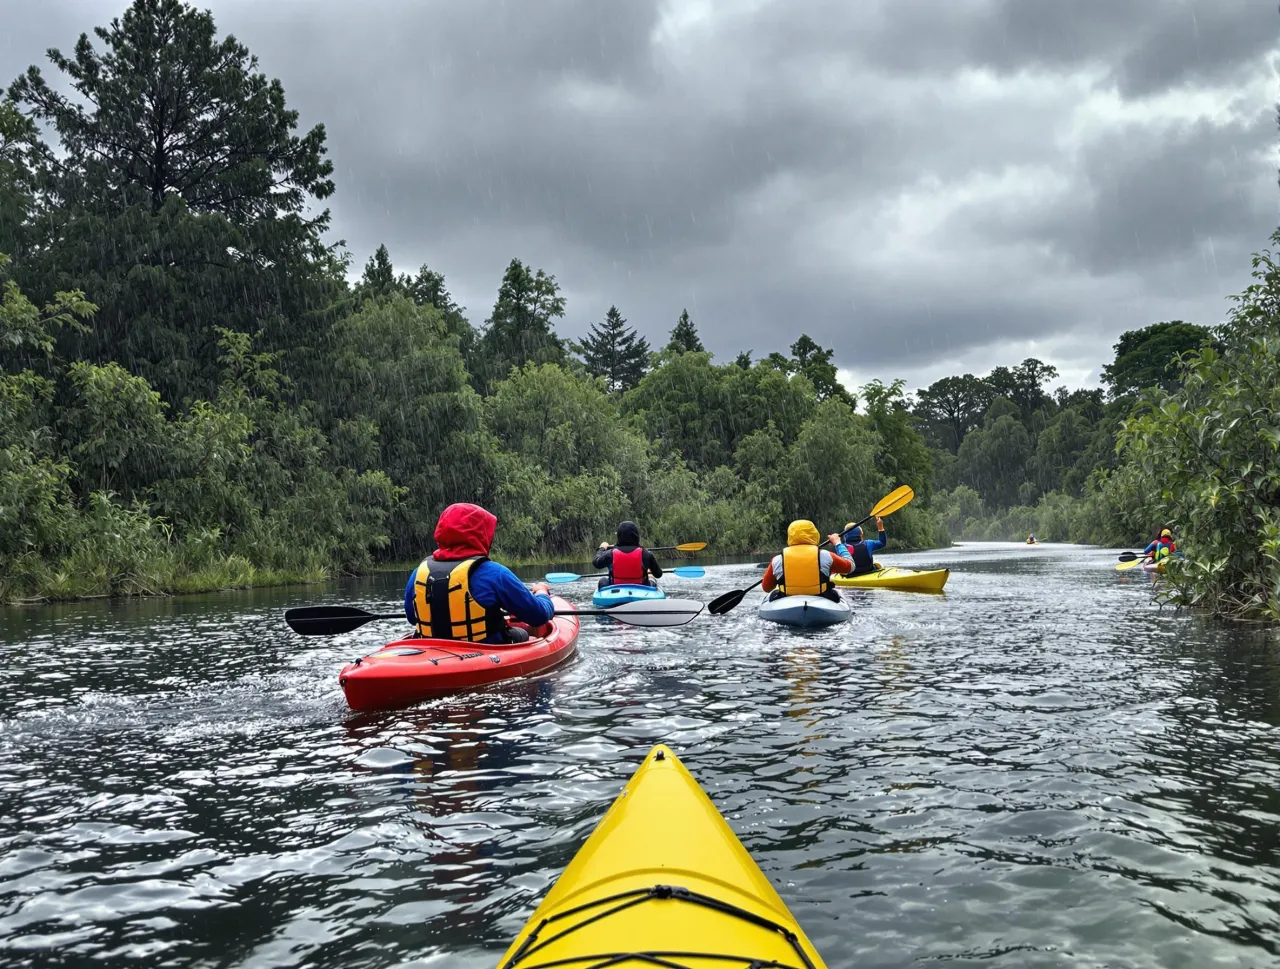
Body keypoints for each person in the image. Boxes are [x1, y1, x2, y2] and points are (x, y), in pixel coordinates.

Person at [403, 502, 556, 644]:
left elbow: (412, 618)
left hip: (431, 649)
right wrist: (542, 592)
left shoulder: (419, 573)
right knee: (524, 633)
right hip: (485, 651)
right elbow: (539, 616)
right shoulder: (495, 573)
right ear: (481, 536)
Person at [761, 519, 854, 602]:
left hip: (786, 600)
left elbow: (766, 588)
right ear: (814, 534)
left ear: (790, 536)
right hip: (822, 599)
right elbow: (850, 567)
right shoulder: (825, 555)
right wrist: (838, 543)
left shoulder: (777, 559)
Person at [594, 520, 664, 589]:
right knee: (652, 579)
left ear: (619, 536)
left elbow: (596, 563)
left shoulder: (611, 554)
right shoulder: (646, 554)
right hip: (642, 587)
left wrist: (602, 548)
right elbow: (658, 574)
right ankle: (650, 579)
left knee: (603, 581)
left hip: (616, 587)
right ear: (636, 536)